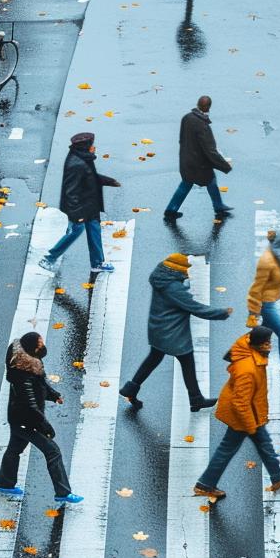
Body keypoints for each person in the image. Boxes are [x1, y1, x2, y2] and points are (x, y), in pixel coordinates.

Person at [193, 327, 280, 499]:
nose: (270, 346)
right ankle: (205, 485)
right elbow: (240, 403)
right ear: (257, 345)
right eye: (267, 343)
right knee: (228, 449)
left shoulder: (253, 354)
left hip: (250, 412)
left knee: (263, 444)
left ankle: (277, 477)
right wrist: (251, 425)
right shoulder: (247, 369)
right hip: (243, 416)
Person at [119, 253, 231, 410]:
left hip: (158, 330)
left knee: (153, 359)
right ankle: (196, 399)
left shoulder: (160, 280)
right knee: (188, 364)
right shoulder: (174, 289)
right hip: (173, 335)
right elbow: (196, 308)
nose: (187, 272)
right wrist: (222, 313)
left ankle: (131, 387)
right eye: (185, 270)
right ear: (176, 271)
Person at [0, 333, 82, 504]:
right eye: (40, 343)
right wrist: (45, 427)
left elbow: (40, 384)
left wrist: (54, 395)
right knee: (53, 451)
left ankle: (5, 484)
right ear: (32, 348)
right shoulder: (23, 373)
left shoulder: (30, 364)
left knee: (14, 450)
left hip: (18, 418)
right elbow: (30, 405)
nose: (43, 345)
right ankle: (63, 492)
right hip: (26, 421)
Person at [39, 132, 122, 274]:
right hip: (80, 207)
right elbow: (70, 192)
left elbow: (90, 177)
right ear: (85, 147)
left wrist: (108, 181)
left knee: (94, 230)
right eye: (91, 145)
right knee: (76, 231)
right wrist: (77, 215)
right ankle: (49, 258)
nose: (94, 148)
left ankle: (97, 263)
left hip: (89, 204)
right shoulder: (76, 164)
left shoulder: (83, 158)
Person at [164, 96, 232, 221]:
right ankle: (218, 207)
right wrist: (224, 165)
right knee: (211, 181)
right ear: (209, 107)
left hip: (186, 159)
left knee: (186, 183)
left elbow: (181, 139)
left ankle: (171, 209)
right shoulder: (203, 125)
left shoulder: (186, 118)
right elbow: (210, 150)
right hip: (199, 164)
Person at [246, 227, 280, 379]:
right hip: (266, 305)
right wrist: (253, 313)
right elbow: (256, 289)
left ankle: (237, 353)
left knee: (260, 334)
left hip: (271, 302)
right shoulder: (266, 262)